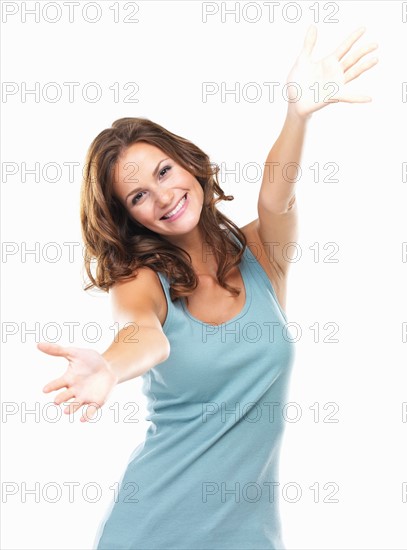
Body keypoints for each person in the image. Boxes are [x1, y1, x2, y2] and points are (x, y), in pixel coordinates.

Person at [38, 25, 378, 550]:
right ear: (131, 219)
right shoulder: (140, 281)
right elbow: (143, 337)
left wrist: (297, 115)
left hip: (251, 537)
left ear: (188, 163)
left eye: (164, 170)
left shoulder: (264, 255)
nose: (164, 195)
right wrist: (107, 365)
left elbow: (276, 197)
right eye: (138, 196)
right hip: (150, 532)